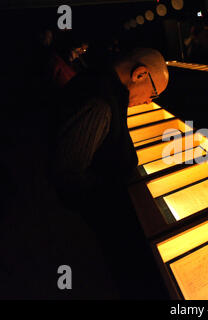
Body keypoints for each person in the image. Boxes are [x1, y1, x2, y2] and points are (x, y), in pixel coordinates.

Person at [51, 48, 169, 298]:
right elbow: (69, 174)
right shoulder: (100, 103)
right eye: (154, 93)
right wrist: (114, 205)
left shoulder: (104, 85)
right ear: (140, 74)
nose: (150, 101)